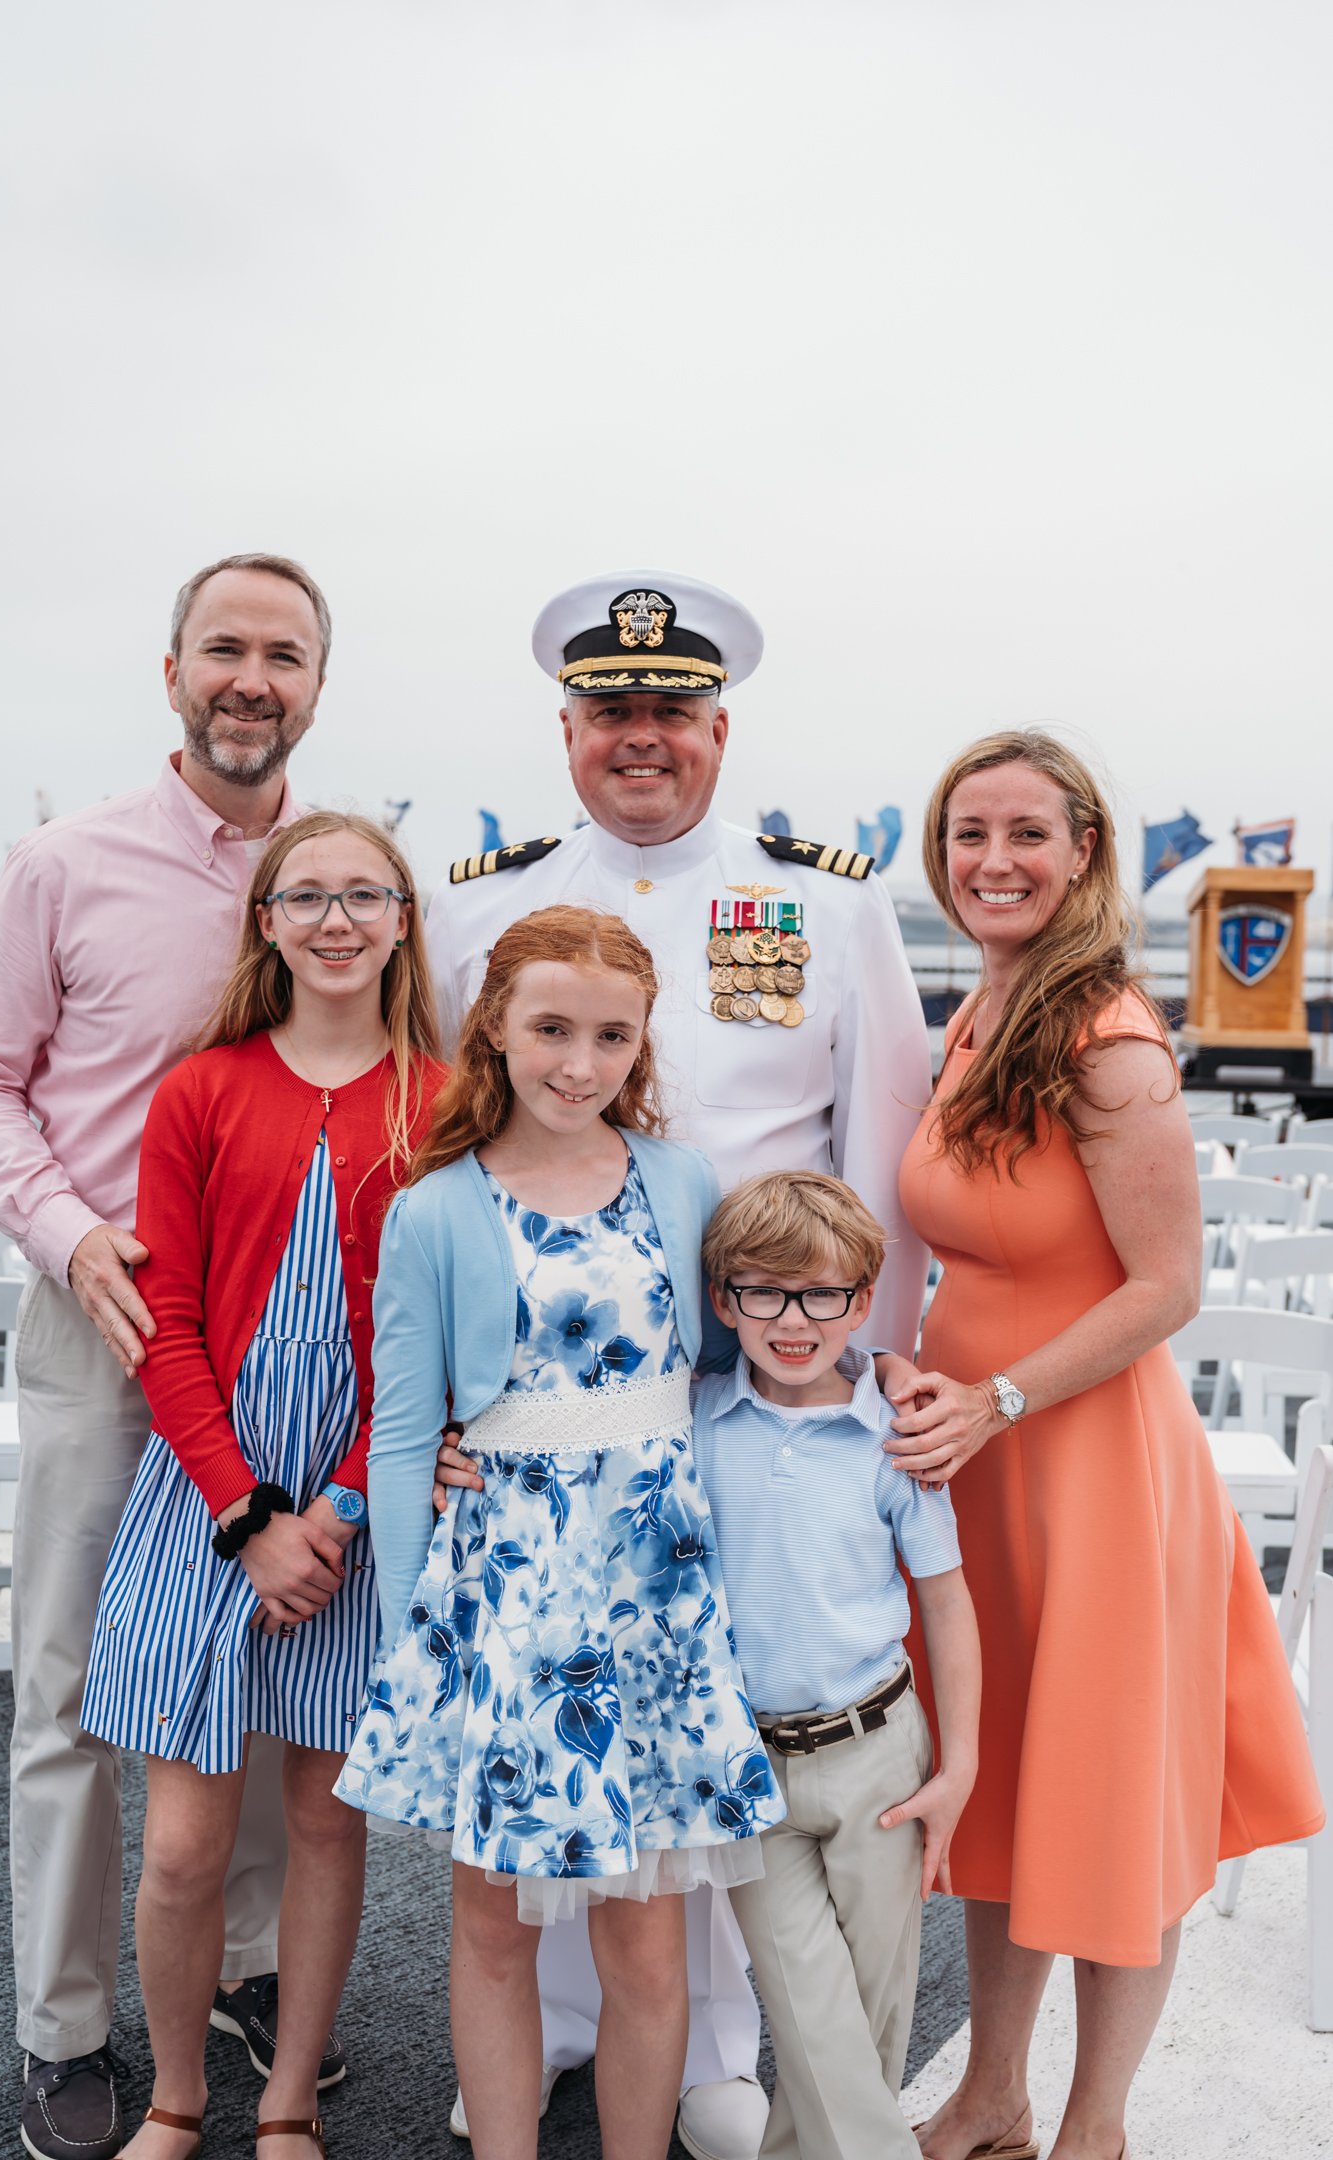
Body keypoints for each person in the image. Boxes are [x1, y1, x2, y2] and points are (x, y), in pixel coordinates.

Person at [424, 571, 932, 2160]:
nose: (641, 739)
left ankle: (714, 2036)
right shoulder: (469, 904)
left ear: (719, 729)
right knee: (557, 1695)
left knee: (723, 1703)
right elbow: (444, 1138)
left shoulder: (829, 901)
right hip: (557, 1395)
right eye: (609, 713)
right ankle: (558, 2023)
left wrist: (874, 1371)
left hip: (764, 1372)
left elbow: (882, 1151)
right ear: (567, 728)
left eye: (670, 714)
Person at [0, 556, 343, 2160]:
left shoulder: (342, 872)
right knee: (72, 1686)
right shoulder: (63, 863)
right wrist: (70, 1232)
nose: (253, 678)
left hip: (280, 1347)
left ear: (319, 684)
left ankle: (241, 1971)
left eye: (285, 656)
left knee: (253, 1662)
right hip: (106, 1318)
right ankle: (65, 2028)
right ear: (172, 667)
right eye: (225, 649)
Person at [887, 731, 1324, 2160]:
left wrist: (1002, 1399)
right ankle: (990, 2093)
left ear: (1083, 851)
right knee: (1007, 1788)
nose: (991, 862)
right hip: (974, 1460)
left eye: (1024, 834)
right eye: (966, 835)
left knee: (1111, 1797)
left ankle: (1094, 2127)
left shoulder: (1108, 1037)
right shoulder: (982, 1007)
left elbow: (1165, 1287)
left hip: (1082, 1465)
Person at [336, 905, 784, 2160]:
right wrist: (414, 1634)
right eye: (549, 1030)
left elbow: (716, 1364)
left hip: (651, 1584)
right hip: (509, 1592)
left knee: (647, 1923)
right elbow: (403, 1434)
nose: (576, 1064)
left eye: (607, 1037)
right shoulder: (434, 1211)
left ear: (640, 1047)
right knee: (493, 1919)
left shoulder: (682, 1181)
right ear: (494, 1029)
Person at [77, 810, 443, 2159]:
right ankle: (179, 2096)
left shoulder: (448, 1100)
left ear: (404, 919)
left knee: (323, 1826)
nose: (337, 919)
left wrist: (339, 1511)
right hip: (206, 1500)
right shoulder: (203, 1091)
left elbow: (438, 1348)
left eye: (365, 895)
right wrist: (246, 1515)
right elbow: (166, 1323)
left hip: (358, 1509)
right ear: (267, 921)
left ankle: (287, 2101)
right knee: (180, 1844)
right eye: (309, 897)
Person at [694, 1171, 979, 2160]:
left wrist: (959, 1768)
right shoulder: (693, 1425)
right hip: (748, 1764)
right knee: (809, 2005)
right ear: (725, 1300)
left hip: (880, 1755)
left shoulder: (892, 1439)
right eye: (762, 1292)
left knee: (872, 2012)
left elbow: (946, 1601)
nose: (792, 1318)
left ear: (862, 1302)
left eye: (820, 1295)